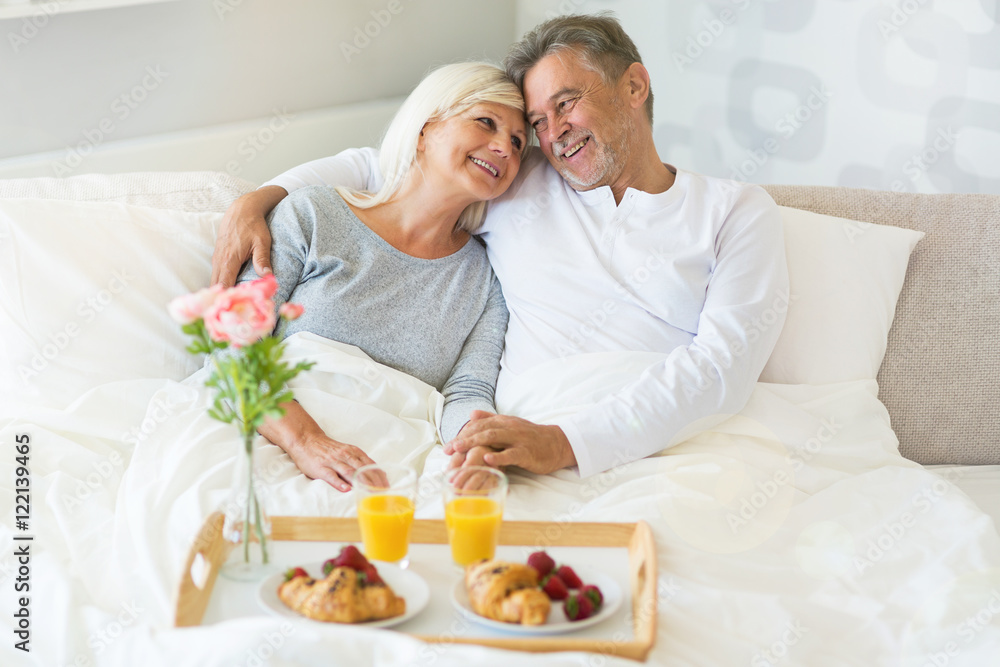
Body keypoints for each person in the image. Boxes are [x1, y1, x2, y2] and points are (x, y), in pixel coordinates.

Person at [212, 13, 788, 480]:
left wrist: (564, 444)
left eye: (565, 104)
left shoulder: (734, 211)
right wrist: (261, 196)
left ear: (634, 85)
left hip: (655, 442)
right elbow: (386, 165)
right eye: (537, 121)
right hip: (519, 442)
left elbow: (723, 367)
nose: (549, 134)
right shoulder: (519, 180)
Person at [237, 62, 527, 491]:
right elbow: (234, 346)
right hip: (269, 434)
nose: (505, 147)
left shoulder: (486, 279)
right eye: (487, 122)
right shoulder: (313, 214)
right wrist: (305, 441)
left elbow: (467, 391)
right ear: (426, 129)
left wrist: (474, 446)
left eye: (520, 143)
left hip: (389, 459)